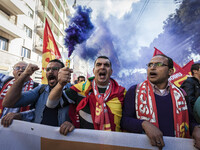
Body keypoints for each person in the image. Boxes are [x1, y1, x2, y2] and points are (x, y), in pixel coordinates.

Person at [121, 54, 200, 149]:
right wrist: (144, 124)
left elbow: (190, 120)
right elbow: (124, 120)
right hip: (147, 147)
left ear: (170, 71)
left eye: (158, 64)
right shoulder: (135, 91)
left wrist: (196, 128)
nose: (152, 68)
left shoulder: (181, 94)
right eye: (150, 65)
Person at [46, 56, 126, 134]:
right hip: (86, 143)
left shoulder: (121, 92)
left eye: (106, 65)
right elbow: (51, 104)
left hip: (113, 143)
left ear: (111, 72)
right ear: (94, 71)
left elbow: (128, 120)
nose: (102, 67)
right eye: (98, 65)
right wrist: (60, 84)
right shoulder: (80, 89)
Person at [2, 59, 74, 134]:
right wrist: (25, 75)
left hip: (62, 140)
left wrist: (73, 124)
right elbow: (8, 103)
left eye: (55, 69)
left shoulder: (73, 91)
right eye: (48, 69)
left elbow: (82, 117)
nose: (50, 71)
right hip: (38, 139)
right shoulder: (40, 89)